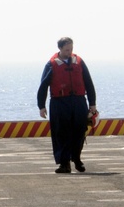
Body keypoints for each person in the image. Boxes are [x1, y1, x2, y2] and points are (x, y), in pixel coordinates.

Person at [37, 37, 98, 174]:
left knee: (79, 131)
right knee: (61, 133)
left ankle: (76, 158)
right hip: (59, 103)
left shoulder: (79, 62)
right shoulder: (51, 64)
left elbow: (88, 82)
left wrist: (92, 103)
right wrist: (41, 106)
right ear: (60, 49)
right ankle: (64, 164)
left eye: (71, 49)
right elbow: (43, 86)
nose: (69, 52)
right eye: (66, 50)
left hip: (78, 101)